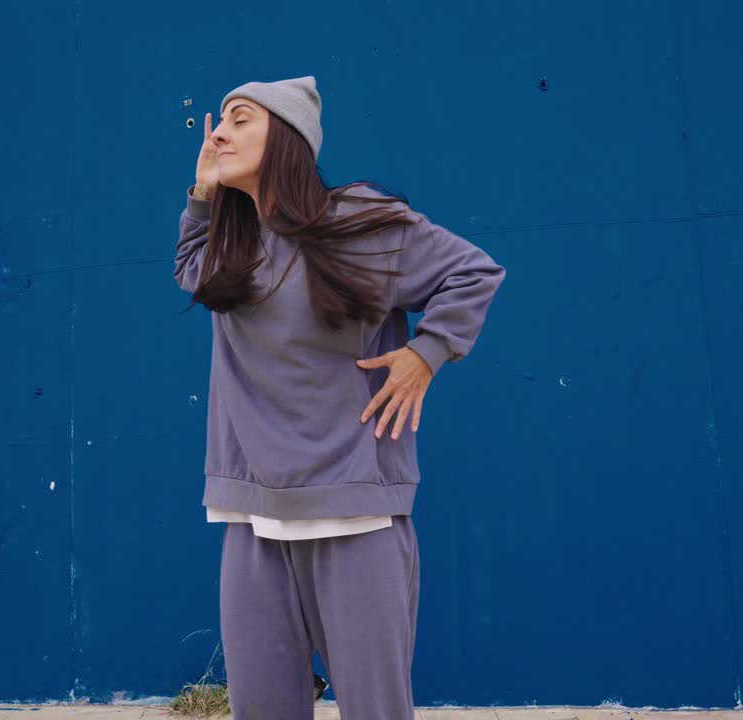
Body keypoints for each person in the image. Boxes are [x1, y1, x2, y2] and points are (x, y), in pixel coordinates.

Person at [172, 75, 505, 720]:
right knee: (262, 709)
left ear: (290, 137)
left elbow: (472, 272)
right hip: (252, 515)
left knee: (376, 711)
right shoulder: (232, 245)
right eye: (221, 122)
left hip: (354, 511)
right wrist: (204, 193)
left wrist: (425, 354)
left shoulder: (358, 223)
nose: (218, 132)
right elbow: (190, 265)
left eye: (241, 119)